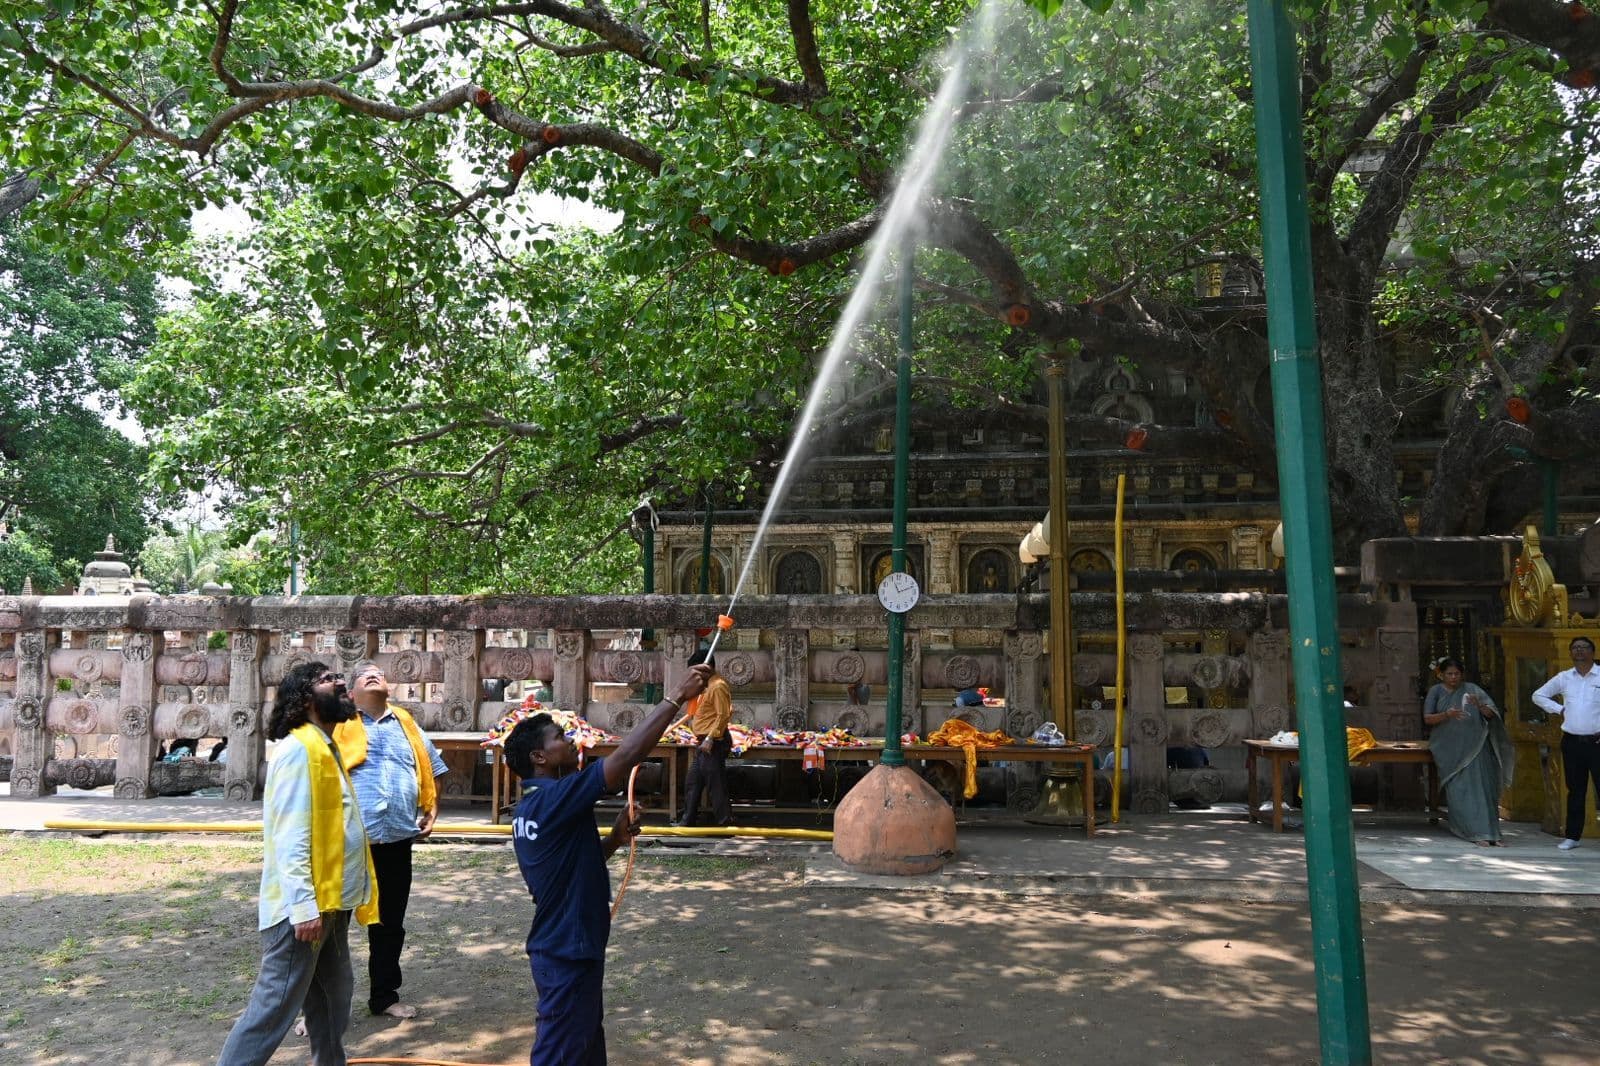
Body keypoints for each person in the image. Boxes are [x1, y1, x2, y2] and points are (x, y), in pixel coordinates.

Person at [503, 662, 711, 1065]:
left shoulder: (534, 804)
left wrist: (615, 839)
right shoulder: (552, 798)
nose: (570, 741)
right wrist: (675, 697)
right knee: (560, 1051)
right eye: (560, 738)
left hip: (567, 943)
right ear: (539, 757)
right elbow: (627, 757)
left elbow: (571, 864)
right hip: (567, 947)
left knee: (582, 1043)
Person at [217, 661, 376, 1066]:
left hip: (331, 904)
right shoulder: (297, 751)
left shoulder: (325, 746)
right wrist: (304, 907)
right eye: (327, 680)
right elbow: (290, 836)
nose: (341, 682)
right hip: (301, 913)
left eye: (339, 677)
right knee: (272, 1010)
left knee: (333, 1000)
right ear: (305, 700)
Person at [333, 661, 448, 1020]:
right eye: (364, 674)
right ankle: (318, 1007)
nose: (373, 674)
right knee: (331, 926)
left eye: (379, 673)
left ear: (389, 687)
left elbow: (434, 768)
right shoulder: (338, 724)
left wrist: (432, 807)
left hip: (397, 838)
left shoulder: (407, 724)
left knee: (390, 923)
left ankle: (384, 996)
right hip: (347, 840)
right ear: (351, 693)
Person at [1422, 658, 1512, 846]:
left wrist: (1478, 705)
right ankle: (1473, 832)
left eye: (1456, 674)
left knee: (1484, 790)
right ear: (1441, 675)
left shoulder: (1472, 689)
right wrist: (1447, 715)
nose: (1453, 677)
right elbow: (1428, 718)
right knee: (1461, 792)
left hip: (1477, 748)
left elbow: (1491, 714)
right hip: (1450, 750)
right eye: (1449, 674)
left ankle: (1492, 833)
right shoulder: (1436, 691)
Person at [1531, 635, 1600, 850]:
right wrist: (1559, 709)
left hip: (1597, 741)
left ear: (1593, 652)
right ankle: (1573, 836)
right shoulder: (1564, 677)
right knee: (1575, 789)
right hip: (1572, 742)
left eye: (1584, 647)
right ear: (1571, 652)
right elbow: (1538, 695)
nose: (1579, 651)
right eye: (1576, 648)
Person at [674, 650, 733, 828]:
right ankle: (687, 821)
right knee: (692, 782)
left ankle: (724, 824)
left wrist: (709, 738)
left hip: (713, 741)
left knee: (716, 785)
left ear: (706, 668)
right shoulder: (705, 687)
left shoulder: (718, 686)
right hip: (702, 741)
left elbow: (723, 715)